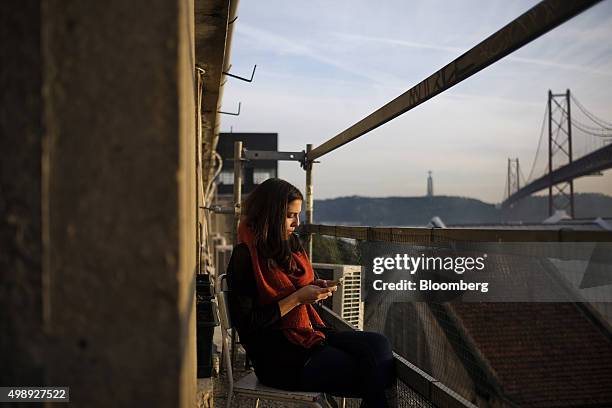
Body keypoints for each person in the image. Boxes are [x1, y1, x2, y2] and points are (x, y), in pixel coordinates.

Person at [227, 178, 395, 407]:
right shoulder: (245, 255)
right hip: (278, 357)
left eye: (298, 214)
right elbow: (247, 324)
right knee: (376, 373)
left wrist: (316, 286)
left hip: (308, 335)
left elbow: (293, 286)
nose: (297, 222)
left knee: (378, 344)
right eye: (290, 215)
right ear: (270, 214)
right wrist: (297, 299)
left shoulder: (288, 246)